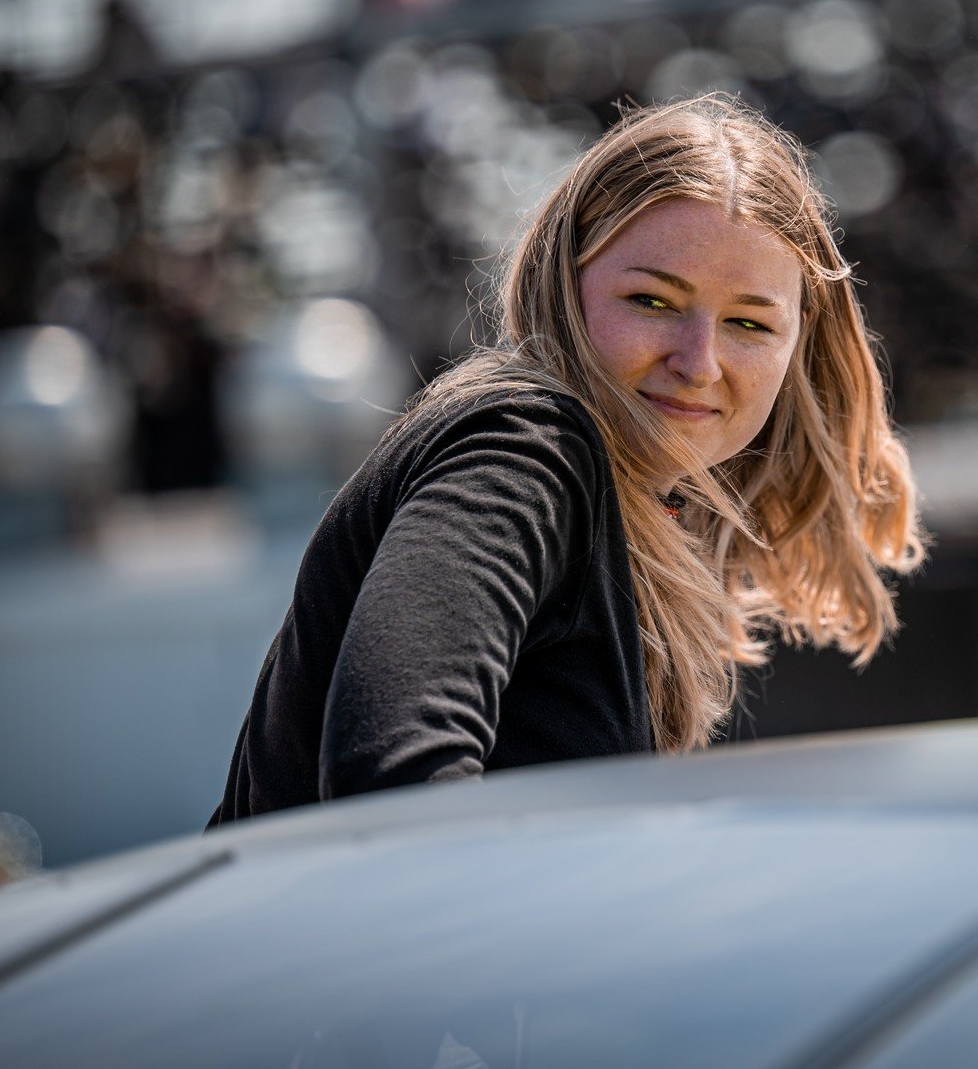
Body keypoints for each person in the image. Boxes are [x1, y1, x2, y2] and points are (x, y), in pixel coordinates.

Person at [209, 94, 926, 824]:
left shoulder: (630, 501)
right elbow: (393, 772)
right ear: (566, 281)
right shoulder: (524, 447)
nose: (700, 361)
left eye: (748, 322)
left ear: (795, 344)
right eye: (651, 300)